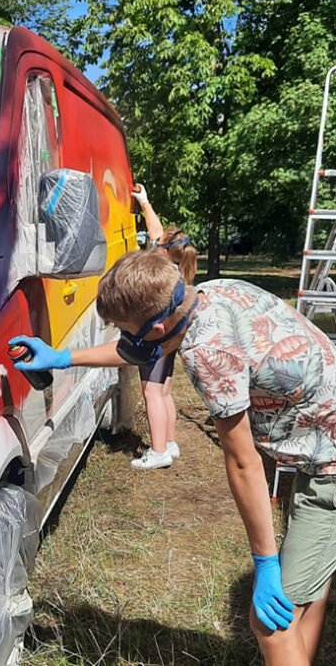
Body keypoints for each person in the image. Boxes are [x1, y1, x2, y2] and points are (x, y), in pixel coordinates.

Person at [10, 252, 336, 665]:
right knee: (306, 589)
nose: (122, 337)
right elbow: (141, 349)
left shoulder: (208, 352)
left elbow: (242, 462)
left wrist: (265, 564)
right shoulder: (207, 294)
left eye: (124, 329)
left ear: (156, 328)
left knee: (271, 619)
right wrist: (62, 357)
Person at [129, 183, 197, 468]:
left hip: (156, 338)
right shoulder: (176, 267)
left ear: (165, 250)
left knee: (151, 392)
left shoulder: (161, 272)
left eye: (158, 243)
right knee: (164, 390)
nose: (153, 242)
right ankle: (169, 442)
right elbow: (156, 231)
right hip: (171, 338)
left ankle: (158, 453)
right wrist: (144, 202)